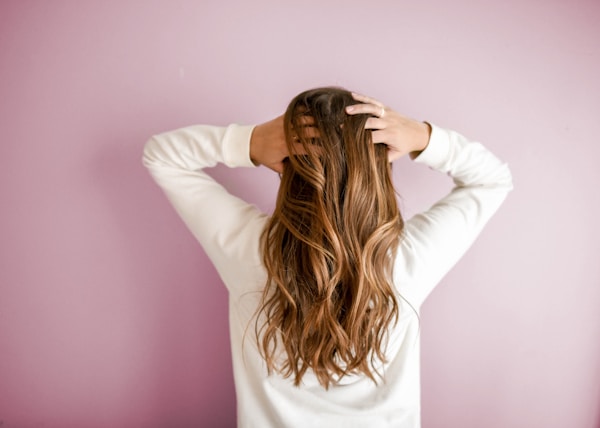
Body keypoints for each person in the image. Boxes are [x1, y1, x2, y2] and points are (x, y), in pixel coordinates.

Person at [142, 87, 513, 427]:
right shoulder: (405, 261)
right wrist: (422, 137)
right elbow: (493, 179)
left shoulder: (251, 251)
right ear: (379, 170)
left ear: (287, 165)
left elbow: (161, 156)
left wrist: (250, 141)